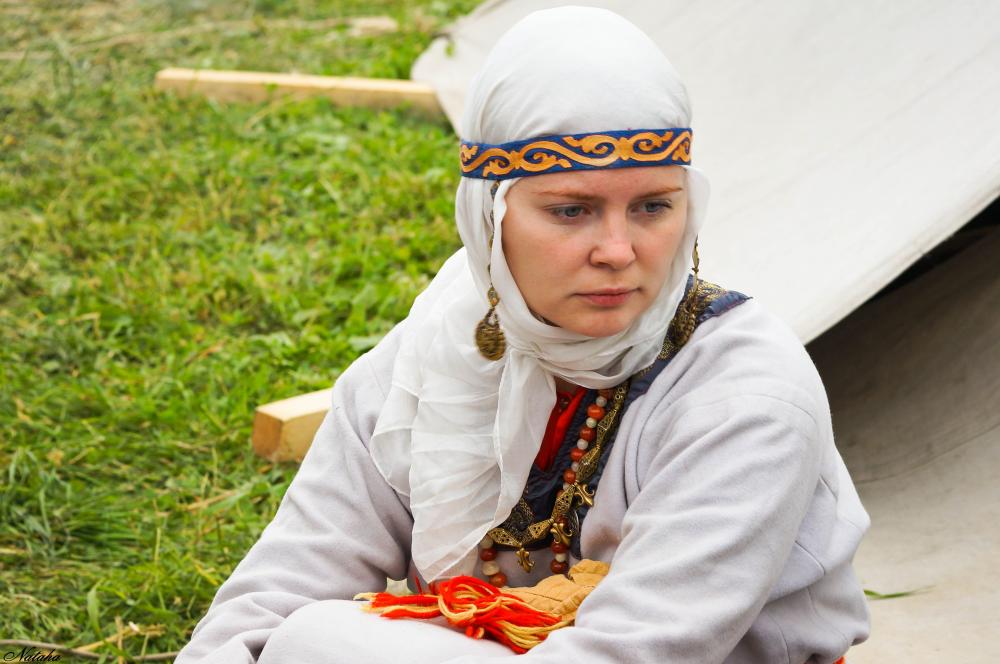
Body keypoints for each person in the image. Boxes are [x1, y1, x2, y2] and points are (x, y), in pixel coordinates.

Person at [174, 7, 870, 664]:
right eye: (571, 210)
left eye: (653, 206)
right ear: (489, 216)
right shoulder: (425, 361)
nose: (618, 251)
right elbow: (275, 592)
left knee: (319, 641)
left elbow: (635, 652)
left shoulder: (746, 395)